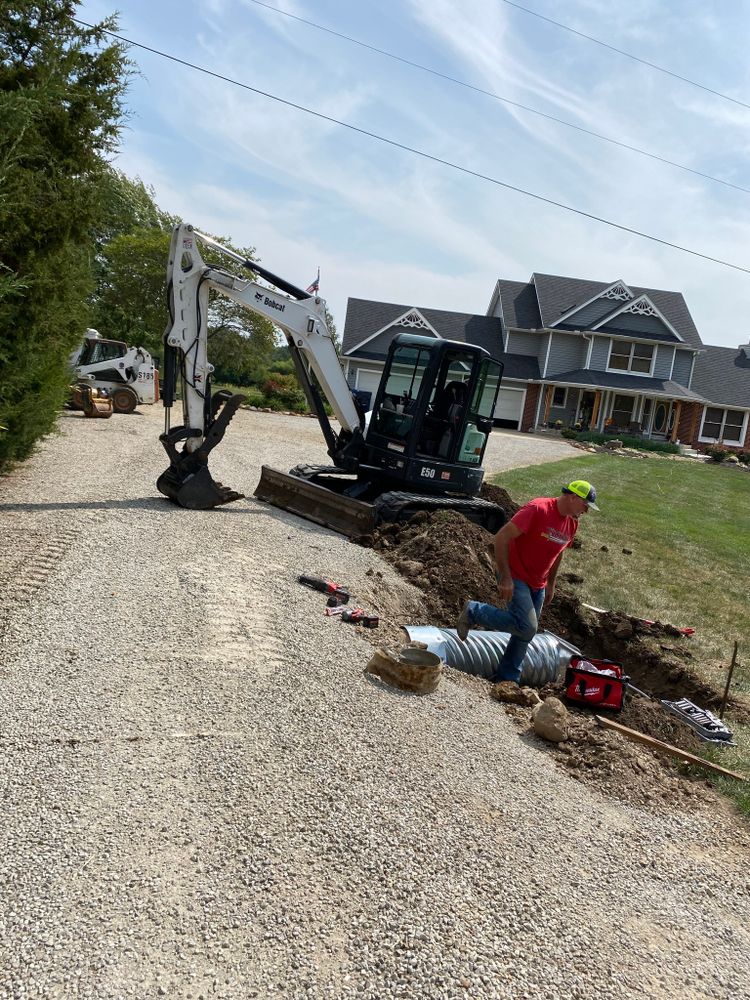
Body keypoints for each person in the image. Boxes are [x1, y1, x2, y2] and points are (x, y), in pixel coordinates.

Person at [456, 480, 600, 684]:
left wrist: (551, 583)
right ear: (573, 497)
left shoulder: (572, 522)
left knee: (524, 634)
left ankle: (507, 678)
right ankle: (474, 611)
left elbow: (558, 553)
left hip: (538, 583)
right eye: (585, 505)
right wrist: (505, 577)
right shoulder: (538, 509)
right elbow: (501, 538)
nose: (586, 510)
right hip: (515, 575)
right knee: (527, 627)